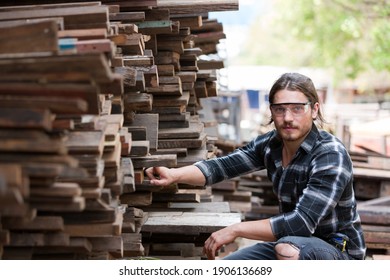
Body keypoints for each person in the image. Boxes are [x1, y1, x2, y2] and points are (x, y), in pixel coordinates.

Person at [144, 72, 366, 260]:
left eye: (297, 108)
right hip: (291, 241)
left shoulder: (329, 154)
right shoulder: (271, 144)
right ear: (271, 111)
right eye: (280, 109)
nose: (288, 117)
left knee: (287, 249)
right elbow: (221, 167)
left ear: (314, 110)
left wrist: (236, 230)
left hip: (338, 252)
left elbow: (301, 223)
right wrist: (173, 174)